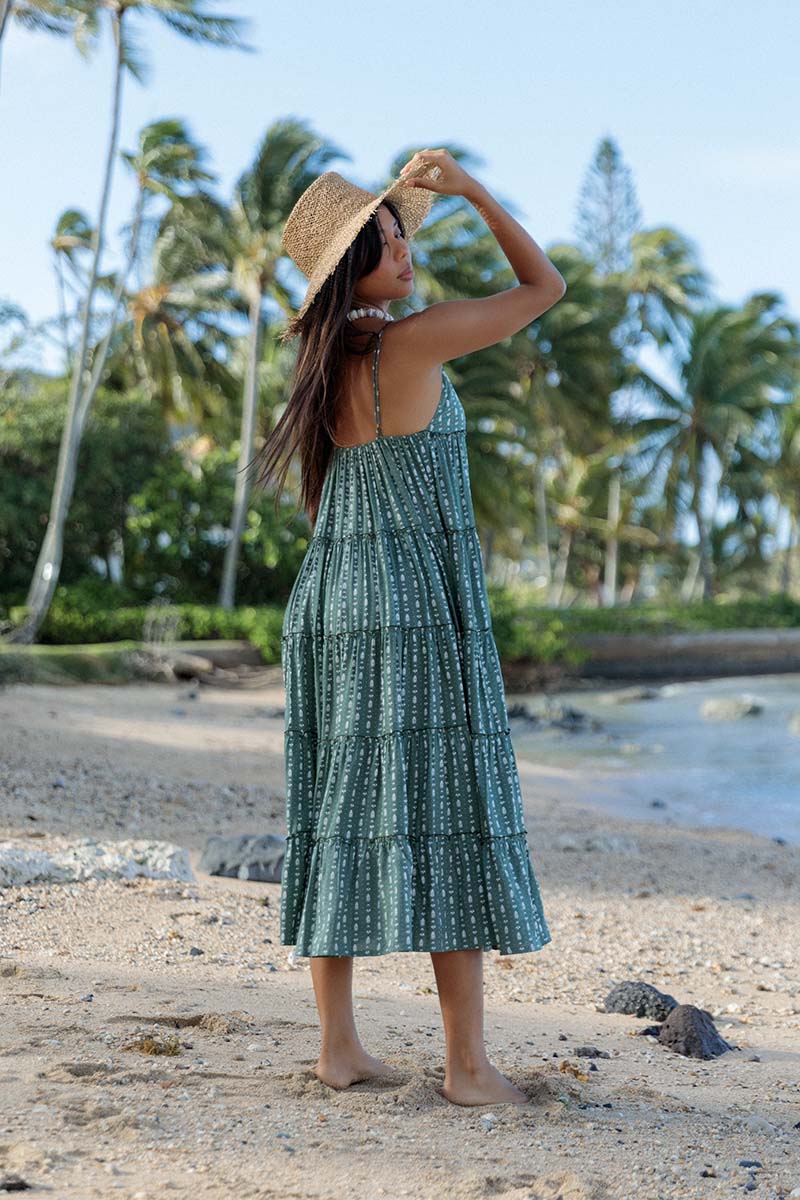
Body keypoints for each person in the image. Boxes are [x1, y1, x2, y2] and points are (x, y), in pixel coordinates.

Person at [254, 148, 566, 1106]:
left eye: (399, 233)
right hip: (409, 606)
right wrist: (474, 192)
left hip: (332, 604)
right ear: (352, 268)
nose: (404, 250)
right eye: (387, 240)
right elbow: (543, 288)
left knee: (337, 813)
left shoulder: (326, 367)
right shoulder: (414, 345)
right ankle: (467, 1067)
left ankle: (339, 1049)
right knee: (448, 814)